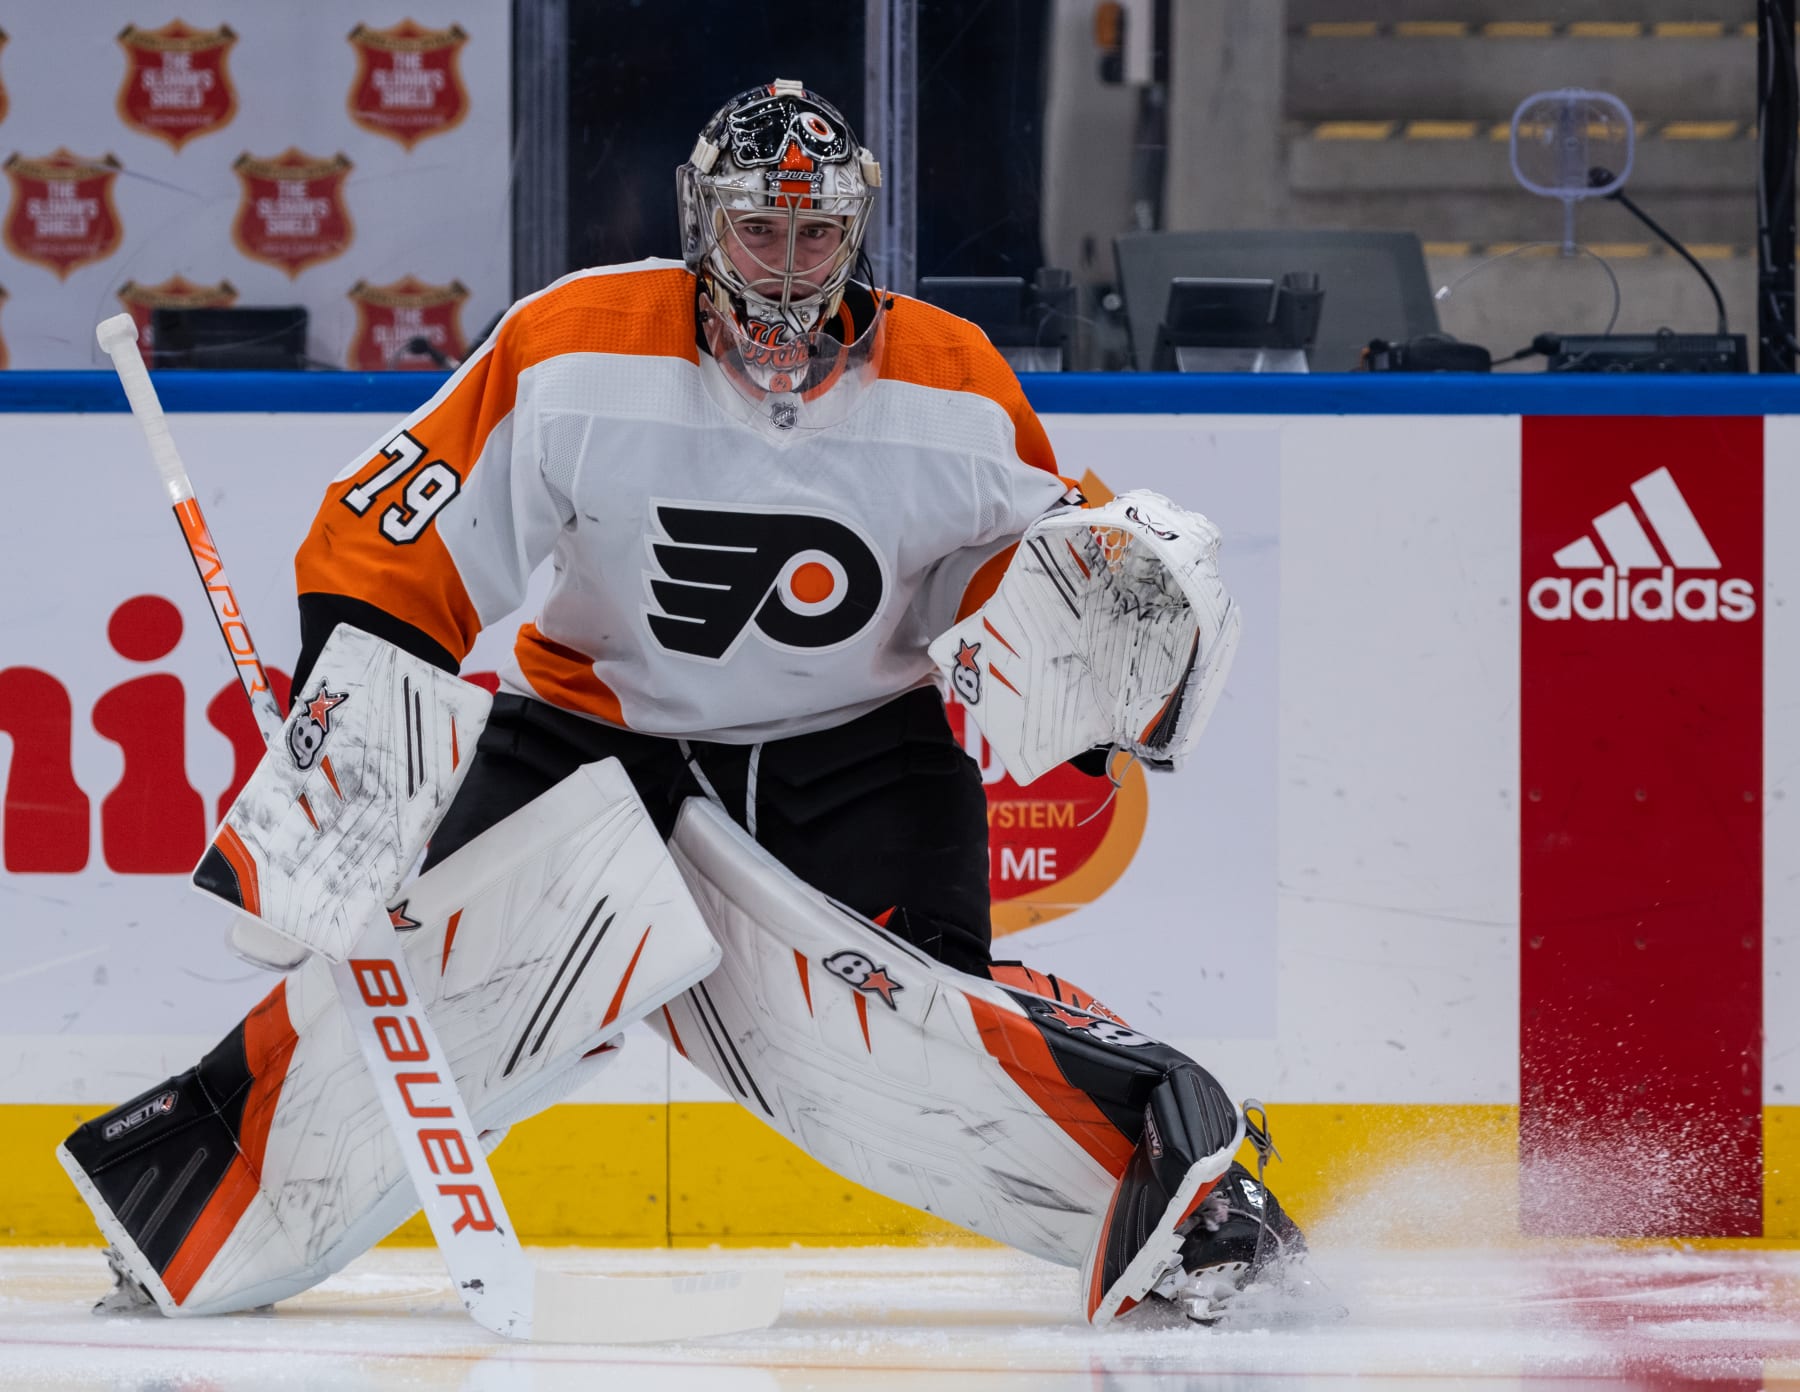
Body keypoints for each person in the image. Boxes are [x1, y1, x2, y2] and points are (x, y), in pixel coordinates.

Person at [59, 79, 1304, 1328]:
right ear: (701, 221)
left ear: (854, 236)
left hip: (853, 754)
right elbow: (398, 535)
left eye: (815, 235)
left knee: (910, 1035)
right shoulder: (574, 344)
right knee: (441, 980)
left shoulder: (953, 379)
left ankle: (1189, 1192)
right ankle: (207, 1200)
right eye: (758, 230)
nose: (785, 264)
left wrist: (1097, 656)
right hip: (593, 737)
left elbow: (1017, 585)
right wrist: (353, 755)